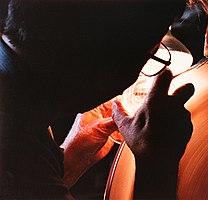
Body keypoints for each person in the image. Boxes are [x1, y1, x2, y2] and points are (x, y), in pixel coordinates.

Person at [0, 0, 196, 199]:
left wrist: (74, 155)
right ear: (110, 72)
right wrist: (157, 165)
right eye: (152, 56)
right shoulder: (14, 150)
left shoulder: (21, 106)